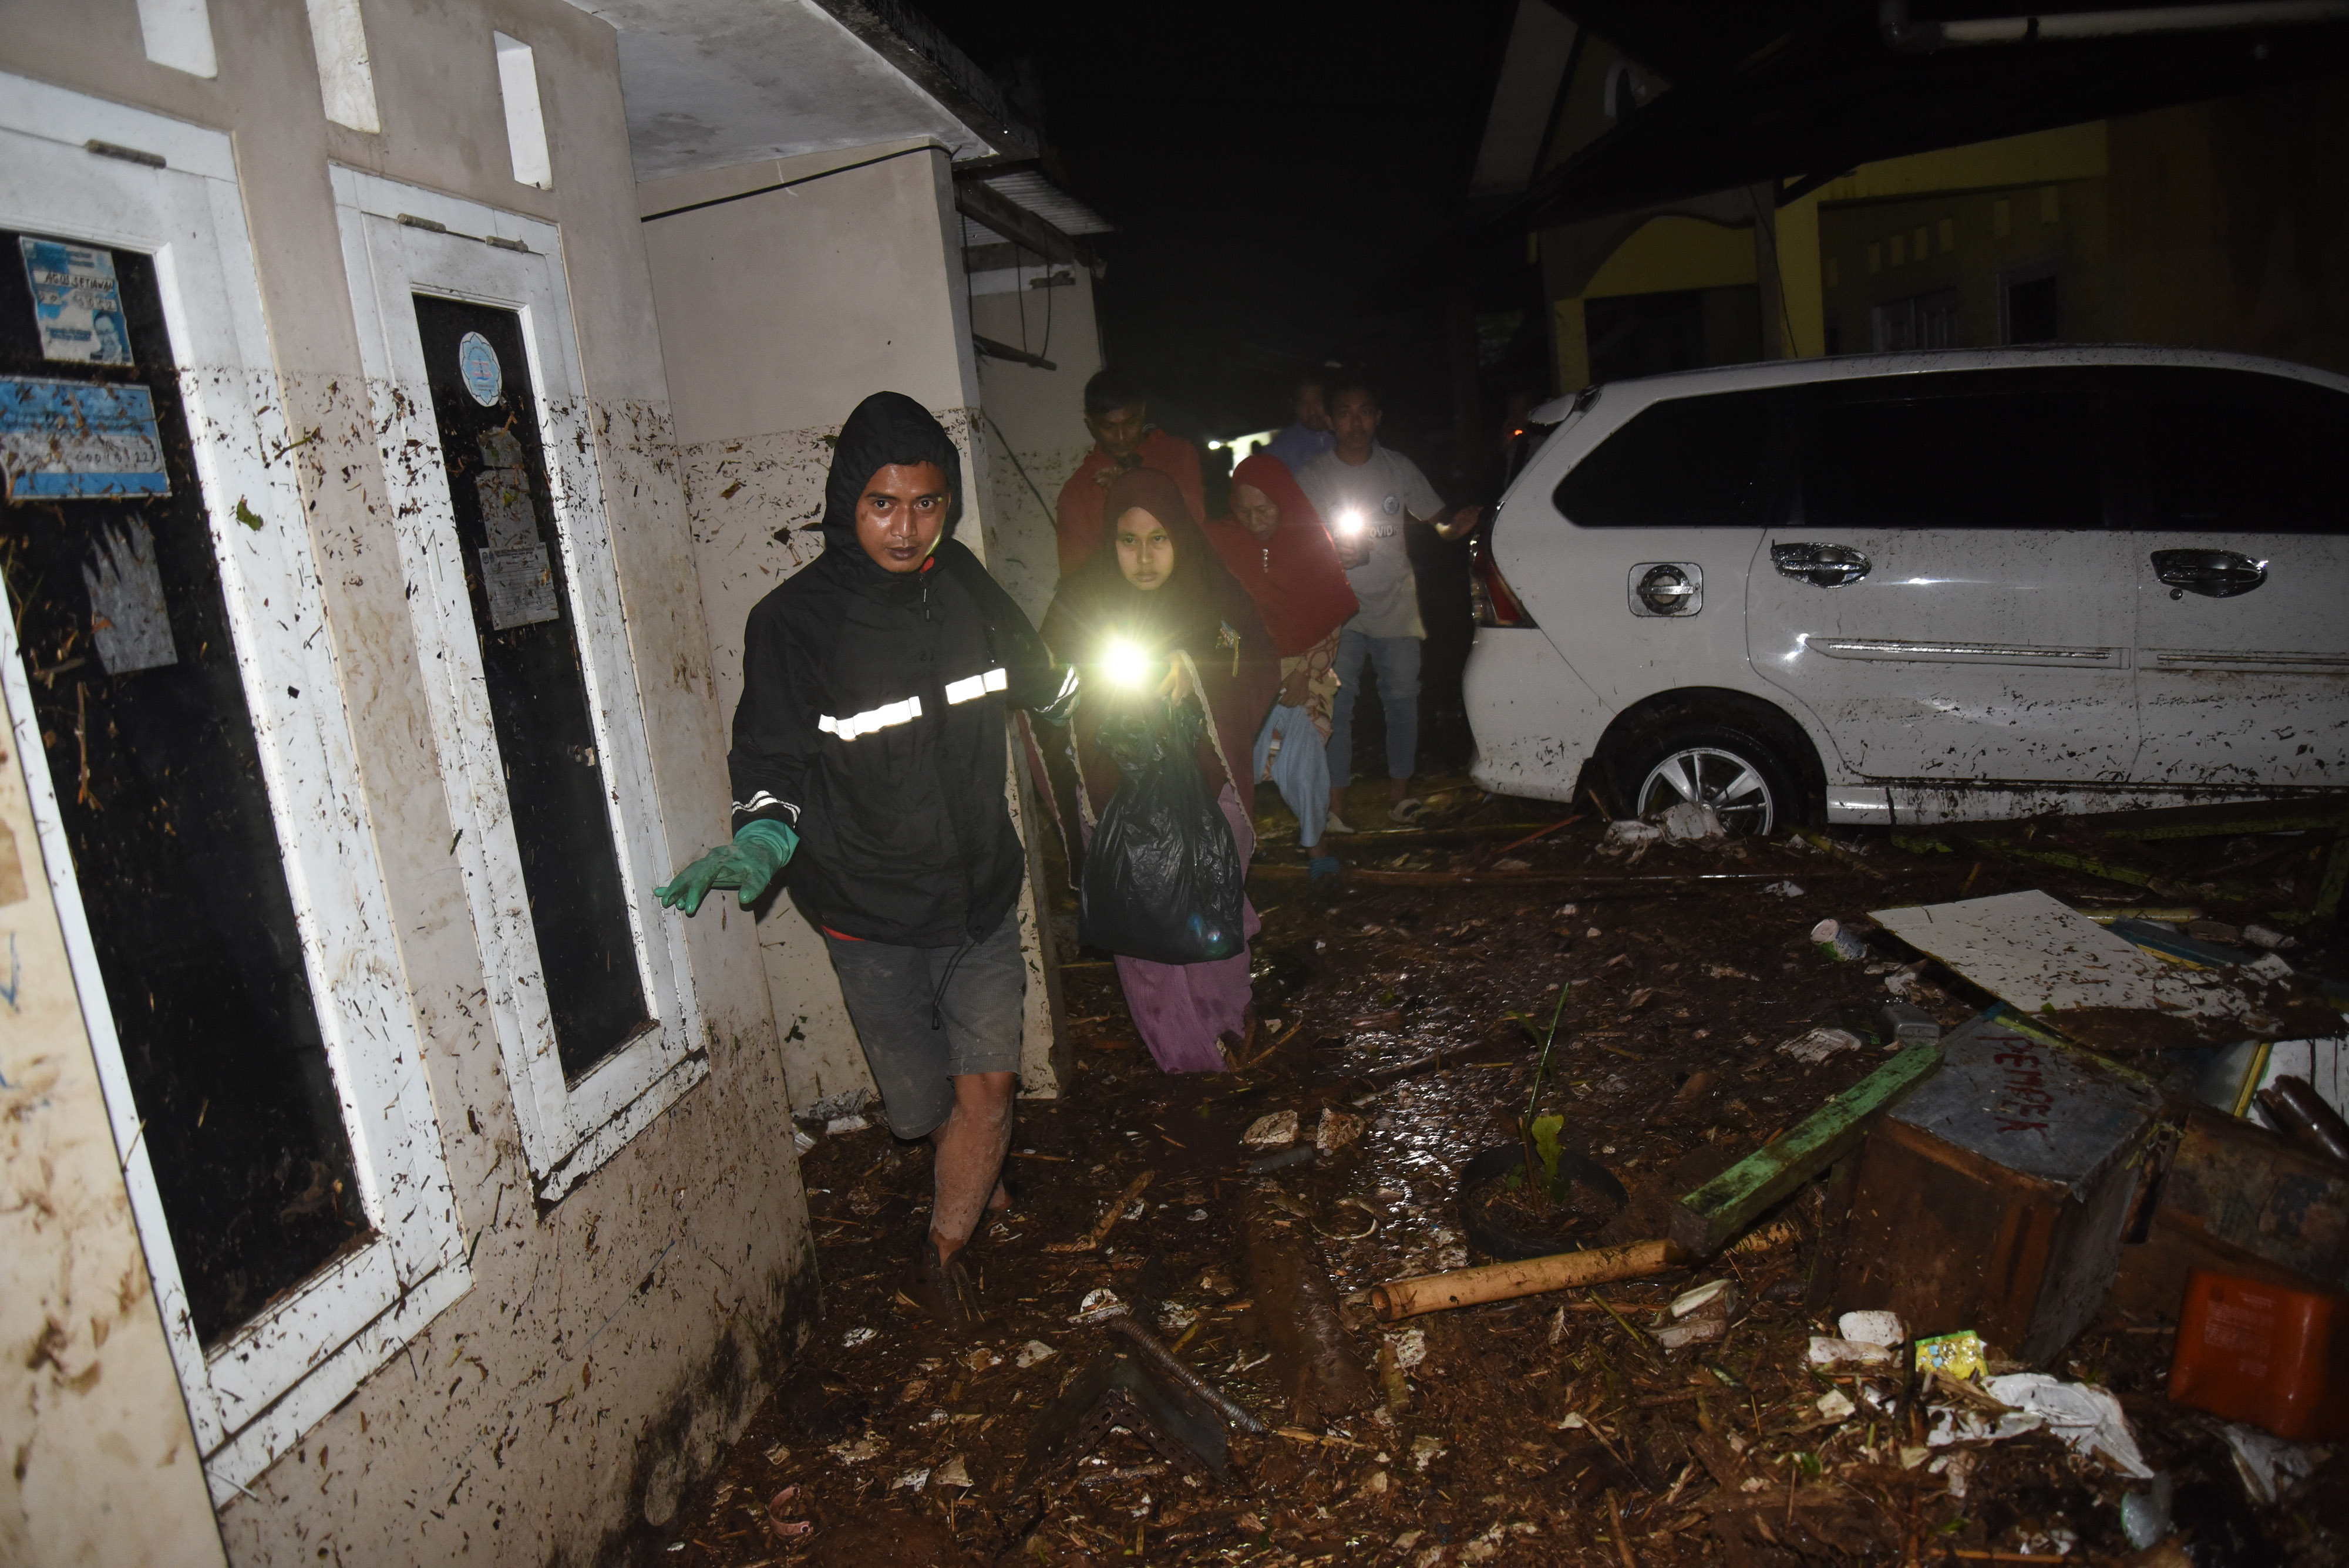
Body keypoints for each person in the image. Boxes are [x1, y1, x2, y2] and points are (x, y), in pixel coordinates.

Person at [655, 391, 1076, 1328]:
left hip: (977, 894)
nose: (907, 525)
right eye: (884, 503)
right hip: (867, 909)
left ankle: (944, 1252)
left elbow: (1042, 671)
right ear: (848, 501)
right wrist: (764, 835)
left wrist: (1121, 687)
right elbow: (770, 754)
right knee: (922, 1105)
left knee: (991, 1084)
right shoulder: (793, 622)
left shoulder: (962, 579)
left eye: (927, 503)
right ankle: (974, 1172)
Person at [1042, 468, 1279, 1072]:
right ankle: (1189, 1065)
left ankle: (1230, 1031)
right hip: (1119, 800)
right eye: (1128, 540)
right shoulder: (1080, 604)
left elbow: (1254, 667)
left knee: (1211, 917)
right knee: (1146, 936)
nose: (1144, 557)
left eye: (1159, 538)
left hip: (1208, 790)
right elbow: (1048, 692)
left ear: (1182, 536)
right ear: (1109, 542)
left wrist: (1194, 675)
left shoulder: (1216, 597)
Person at [1295, 373, 1480, 830]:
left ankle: (1401, 797)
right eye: (1344, 413)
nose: (1355, 423)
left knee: (1402, 700)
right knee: (1339, 704)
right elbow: (1295, 541)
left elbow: (1436, 521)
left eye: (1364, 412)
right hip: (1342, 609)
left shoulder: (1398, 468)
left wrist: (1454, 528)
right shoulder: (1314, 476)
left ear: (1378, 418)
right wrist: (1329, 553)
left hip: (1396, 603)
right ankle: (1337, 807)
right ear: (1330, 420)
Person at [1203, 453, 1358, 879]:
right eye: (1244, 511)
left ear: (1285, 502)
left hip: (1307, 671)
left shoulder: (1312, 543)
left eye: (1265, 509)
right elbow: (1215, 619)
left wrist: (1304, 675)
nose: (1255, 521)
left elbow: (1330, 621)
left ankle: (1316, 847)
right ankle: (1231, 857)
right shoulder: (1222, 543)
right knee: (1236, 759)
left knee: (1304, 748)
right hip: (1247, 673)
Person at [1052, 368, 1206, 576]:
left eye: (1130, 423)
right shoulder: (1077, 493)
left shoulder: (1177, 455)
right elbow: (1077, 575)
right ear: (1090, 423)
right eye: (1109, 427)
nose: (1122, 437)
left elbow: (1192, 528)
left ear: (1142, 412)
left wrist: (1131, 487)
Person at [1262, 371, 1334, 475]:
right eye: (1304, 405)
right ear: (1294, 405)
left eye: (1318, 401)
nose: (1312, 411)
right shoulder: (1279, 449)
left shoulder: (1344, 436)